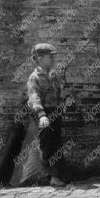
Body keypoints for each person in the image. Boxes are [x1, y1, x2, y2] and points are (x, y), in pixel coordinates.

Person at [26, 41, 69, 188]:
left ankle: (59, 176)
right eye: (49, 56)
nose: (53, 59)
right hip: (43, 115)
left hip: (55, 113)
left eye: (53, 56)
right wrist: (41, 115)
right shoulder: (34, 77)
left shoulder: (54, 75)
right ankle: (53, 176)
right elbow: (33, 98)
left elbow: (60, 93)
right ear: (39, 58)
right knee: (47, 146)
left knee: (56, 144)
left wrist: (62, 105)